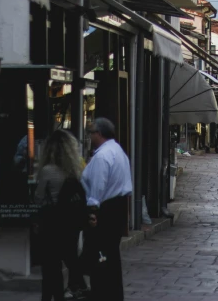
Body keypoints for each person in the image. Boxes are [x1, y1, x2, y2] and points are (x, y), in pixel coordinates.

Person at [35, 129, 88, 301]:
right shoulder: (76, 170)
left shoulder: (47, 171)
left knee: (51, 266)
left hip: (51, 224)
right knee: (71, 259)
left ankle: (51, 297)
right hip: (71, 223)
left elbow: (39, 198)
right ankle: (77, 287)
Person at [82, 118, 132, 301]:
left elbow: (97, 186)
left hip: (105, 209)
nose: (89, 136)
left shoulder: (103, 156)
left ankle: (102, 293)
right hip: (116, 208)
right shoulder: (118, 151)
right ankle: (111, 293)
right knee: (110, 254)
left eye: (91, 133)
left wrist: (92, 212)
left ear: (100, 134)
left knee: (101, 254)